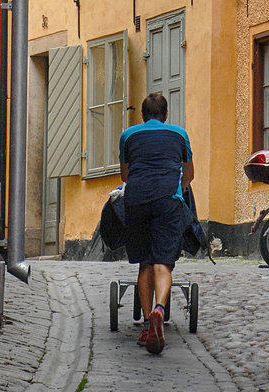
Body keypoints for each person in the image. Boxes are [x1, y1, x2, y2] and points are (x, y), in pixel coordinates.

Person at [119, 93, 194, 355]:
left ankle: (146, 324)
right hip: (167, 201)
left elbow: (125, 175)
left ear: (142, 115)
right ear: (166, 115)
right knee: (162, 262)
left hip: (137, 199)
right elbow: (189, 174)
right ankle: (159, 310)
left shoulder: (128, 135)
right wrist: (178, 190)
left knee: (145, 263)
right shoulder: (179, 134)